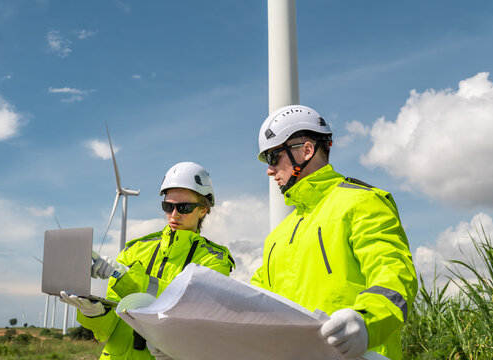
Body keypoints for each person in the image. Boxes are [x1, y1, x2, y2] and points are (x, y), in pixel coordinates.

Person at [250, 105, 418, 360]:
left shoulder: (362, 201)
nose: (269, 170)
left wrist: (366, 320)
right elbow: (255, 300)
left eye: (273, 157)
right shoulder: (277, 236)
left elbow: (395, 277)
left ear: (306, 150)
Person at [61, 162, 235, 360]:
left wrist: (124, 277)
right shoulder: (134, 249)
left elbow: (192, 310)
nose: (174, 214)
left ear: (203, 210)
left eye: (184, 207)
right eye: (168, 206)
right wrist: (94, 314)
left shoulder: (214, 260)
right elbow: (107, 330)